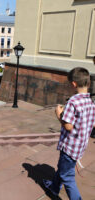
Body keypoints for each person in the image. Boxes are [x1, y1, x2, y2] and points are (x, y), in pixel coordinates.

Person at [43, 67, 95, 200]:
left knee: (67, 176)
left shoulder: (73, 101)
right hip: (80, 146)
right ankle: (54, 188)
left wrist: (59, 114)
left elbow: (68, 126)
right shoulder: (90, 102)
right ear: (88, 83)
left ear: (73, 84)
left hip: (70, 147)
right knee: (63, 168)